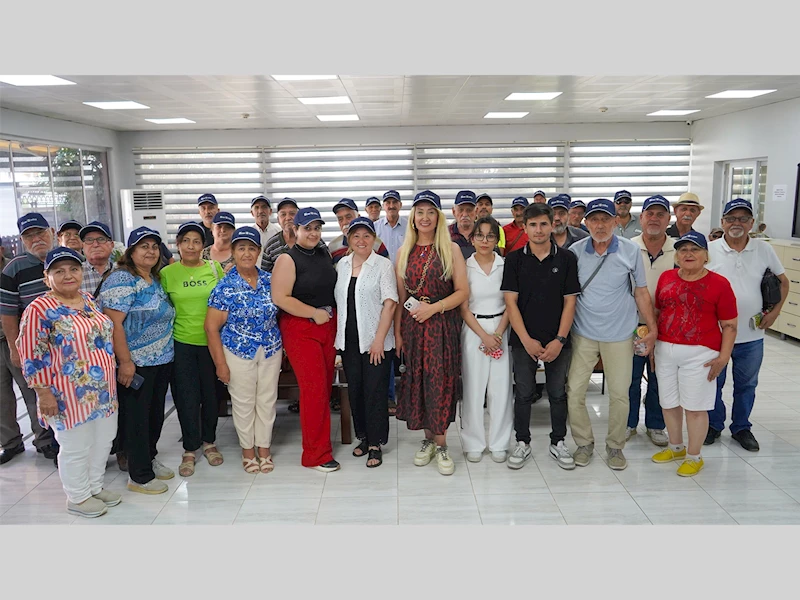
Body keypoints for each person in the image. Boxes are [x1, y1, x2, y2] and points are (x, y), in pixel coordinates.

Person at [16, 247, 120, 517]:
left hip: (103, 390)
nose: (68, 275)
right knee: (76, 446)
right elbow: (31, 354)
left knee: (103, 441)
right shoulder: (39, 309)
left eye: (73, 269)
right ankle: (78, 497)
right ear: (46, 277)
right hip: (66, 394)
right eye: (59, 271)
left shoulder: (88, 300)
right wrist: (43, 394)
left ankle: (94, 487)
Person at [566, 199, 658, 471]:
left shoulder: (631, 250)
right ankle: (584, 443)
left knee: (619, 394)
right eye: (594, 220)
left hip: (619, 335)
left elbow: (641, 291)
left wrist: (652, 328)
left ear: (616, 221)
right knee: (574, 391)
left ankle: (615, 446)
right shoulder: (574, 252)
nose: (600, 225)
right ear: (586, 223)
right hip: (583, 333)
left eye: (605, 219)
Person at [650, 232, 738, 477]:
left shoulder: (719, 284)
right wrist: (653, 346)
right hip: (665, 349)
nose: (688, 254)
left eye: (695, 249)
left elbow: (730, 325)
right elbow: (658, 312)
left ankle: (694, 455)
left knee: (695, 407)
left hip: (701, 353)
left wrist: (724, 357)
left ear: (706, 255)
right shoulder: (666, 277)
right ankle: (676, 447)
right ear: (676, 255)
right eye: (683, 250)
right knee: (668, 402)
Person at [705, 199, 790, 451]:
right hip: (716, 334)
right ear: (722, 222)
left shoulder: (763, 249)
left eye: (743, 219)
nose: (737, 223)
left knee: (747, 385)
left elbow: (784, 282)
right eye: (731, 218)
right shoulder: (709, 249)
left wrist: (775, 313)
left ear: (751, 223)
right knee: (712, 382)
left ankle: (741, 427)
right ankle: (713, 425)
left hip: (751, 335)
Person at [395, 190, 469, 475]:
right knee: (419, 383)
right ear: (413, 217)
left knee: (440, 382)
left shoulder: (450, 249)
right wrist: (399, 334)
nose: (425, 217)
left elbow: (462, 292)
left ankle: (442, 444)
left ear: (438, 217)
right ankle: (427, 440)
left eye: (430, 212)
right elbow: (401, 299)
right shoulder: (403, 252)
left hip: (441, 326)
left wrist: (434, 308)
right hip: (413, 328)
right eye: (420, 212)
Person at [502, 204, 580, 470]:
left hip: (558, 339)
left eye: (543, 224)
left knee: (557, 393)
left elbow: (570, 302)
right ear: (524, 227)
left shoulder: (567, 258)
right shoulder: (514, 260)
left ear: (552, 225)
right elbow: (510, 303)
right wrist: (525, 340)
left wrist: (560, 340)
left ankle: (558, 441)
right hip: (524, 339)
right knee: (524, 393)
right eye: (533, 225)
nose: (538, 230)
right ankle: (522, 442)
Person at [100, 226, 176, 494]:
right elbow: (114, 325)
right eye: (144, 246)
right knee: (136, 419)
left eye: (154, 246)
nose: (151, 251)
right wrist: (125, 362)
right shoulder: (121, 279)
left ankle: (149, 458)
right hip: (136, 363)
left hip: (161, 359)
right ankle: (139, 476)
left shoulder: (154, 278)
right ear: (130, 252)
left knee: (154, 415)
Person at [206, 226, 283, 474]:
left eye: (251, 248)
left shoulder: (271, 281)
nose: (247, 253)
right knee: (243, 402)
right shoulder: (225, 286)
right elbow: (211, 327)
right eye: (241, 248)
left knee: (267, 400)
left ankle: (264, 449)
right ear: (233, 252)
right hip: (238, 351)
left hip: (270, 349)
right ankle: (248, 451)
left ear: (259, 251)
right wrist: (220, 364)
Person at [271, 207, 340, 472]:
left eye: (317, 228)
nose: (313, 233)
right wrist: (313, 313)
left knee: (324, 388)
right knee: (314, 390)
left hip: (326, 325)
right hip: (301, 327)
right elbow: (280, 297)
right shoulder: (287, 259)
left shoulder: (323, 253)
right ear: (295, 229)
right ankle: (315, 455)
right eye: (307, 228)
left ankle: (321, 444)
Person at [160, 221, 225, 477]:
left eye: (196, 241)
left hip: (212, 342)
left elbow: (224, 302)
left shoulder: (214, 268)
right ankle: (189, 448)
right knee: (186, 397)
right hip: (181, 343)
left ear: (203, 246)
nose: (191, 246)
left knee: (211, 395)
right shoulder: (167, 273)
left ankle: (209, 442)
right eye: (185, 241)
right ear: (178, 245)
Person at [334, 217, 398, 467]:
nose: (361, 240)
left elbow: (390, 304)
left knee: (375, 392)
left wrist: (379, 340)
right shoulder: (342, 264)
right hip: (349, 340)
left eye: (366, 236)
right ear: (349, 239)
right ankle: (363, 437)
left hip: (375, 340)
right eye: (356, 236)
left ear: (374, 239)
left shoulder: (383, 265)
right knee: (356, 390)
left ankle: (375, 443)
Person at [1, 212, 58, 465]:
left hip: (66, 344)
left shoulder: (68, 259)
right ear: (22, 240)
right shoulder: (14, 268)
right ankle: (40, 441)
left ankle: (55, 439)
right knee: (31, 392)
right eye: (29, 236)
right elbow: (8, 313)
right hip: (32, 346)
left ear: (52, 232)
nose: (36, 239)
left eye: (40, 233)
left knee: (60, 392)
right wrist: (15, 348)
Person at [460, 217, 513, 463]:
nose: (484, 240)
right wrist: (484, 336)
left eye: (490, 236)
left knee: (501, 388)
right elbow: (463, 308)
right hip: (474, 329)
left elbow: (511, 304)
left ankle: (500, 442)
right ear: (472, 239)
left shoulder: (506, 265)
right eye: (479, 235)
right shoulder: (465, 266)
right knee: (473, 387)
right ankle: (473, 442)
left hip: (501, 327)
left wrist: (498, 334)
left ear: (496, 239)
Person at [626, 195, 674, 446]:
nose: (654, 219)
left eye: (660, 214)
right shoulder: (627, 247)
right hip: (632, 325)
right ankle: (628, 423)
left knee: (659, 377)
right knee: (630, 378)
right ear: (641, 218)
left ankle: (656, 424)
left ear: (668, 219)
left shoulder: (679, 249)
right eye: (650, 214)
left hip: (667, 327)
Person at [328, 198, 389, 265]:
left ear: (358, 217)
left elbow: (387, 267)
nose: (344, 222)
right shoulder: (333, 247)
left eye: (348, 217)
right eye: (340, 219)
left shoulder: (376, 244)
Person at [260, 198, 301, 273]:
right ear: (278, 220)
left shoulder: (310, 239)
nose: (288, 218)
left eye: (292, 213)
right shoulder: (271, 245)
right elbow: (264, 275)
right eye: (283, 214)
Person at [79, 221, 116, 297]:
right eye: (89, 240)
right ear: (82, 246)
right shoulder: (75, 275)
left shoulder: (122, 271)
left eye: (101, 239)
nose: (95, 245)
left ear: (112, 245)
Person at [374, 190, 407, 265]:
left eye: (394, 202)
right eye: (388, 203)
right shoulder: (375, 227)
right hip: (381, 270)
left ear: (400, 205)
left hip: (403, 270)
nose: (391, 206)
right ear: (383, 206)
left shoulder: (409, 227)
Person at [449, 190, 477, 259]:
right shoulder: (445, 234)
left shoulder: (483, 233)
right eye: (460, 210)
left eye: (469, 210)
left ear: (476, 211)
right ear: (454, 212)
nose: (464, 214)